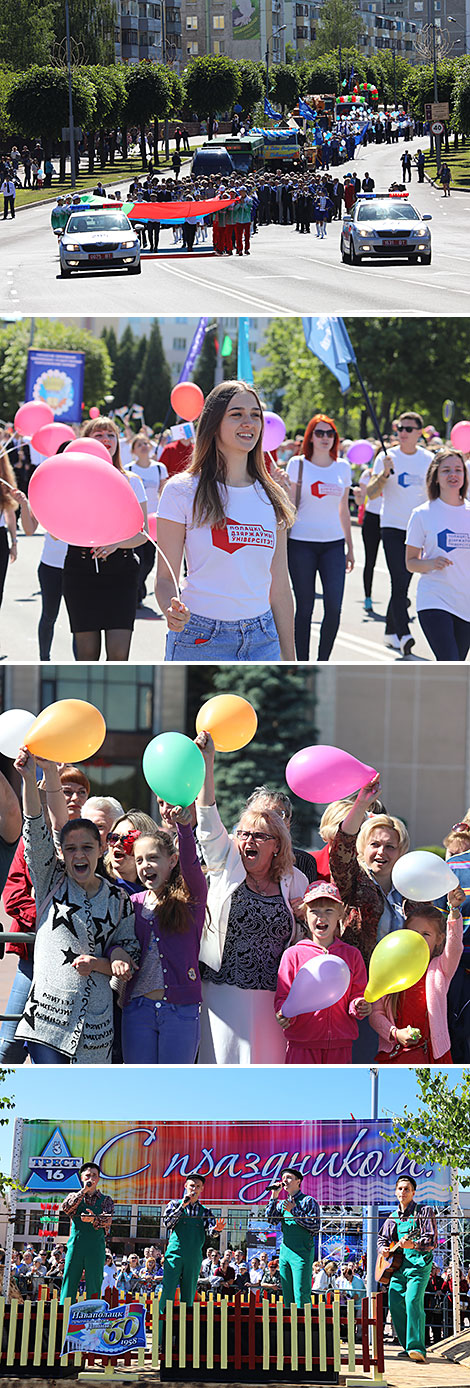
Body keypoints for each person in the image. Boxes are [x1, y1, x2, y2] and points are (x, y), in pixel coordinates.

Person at [12, 746, 140, 1064]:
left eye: (86, 847)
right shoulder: (49, 880)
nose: (79, 855)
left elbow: (126, 945)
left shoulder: (118, 899)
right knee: (49, 1099)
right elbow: (35, 828)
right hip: (47, 1022)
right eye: (70, 849)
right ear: (63, 853)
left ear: (101, 849)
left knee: (85, 1106)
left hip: (96, 1027)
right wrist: (31, 778)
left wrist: (119, 960)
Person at [156, 381, 295, 662]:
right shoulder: (181, 490)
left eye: (255, 414)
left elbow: (279, 585)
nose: (249, 422)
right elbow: (163, 579)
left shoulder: (272, 495)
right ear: (214, 423)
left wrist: (290, 657)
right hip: (199, 637)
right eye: (237, 414)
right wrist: (171, 611)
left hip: (263, 638)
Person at [195, 731, 307, 1064]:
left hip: (273, 1001)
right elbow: (207, 821)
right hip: (220, 996)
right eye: (243, 834)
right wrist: (208, 762)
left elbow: (316, 933)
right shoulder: (225, 863)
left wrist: (305, 918)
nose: (248, 842)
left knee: (265, 1076)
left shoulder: (295, 880)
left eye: (259, 836)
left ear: (277, 846)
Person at [121, 808, 207, 1064]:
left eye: (153, 858)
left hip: (180, 1009)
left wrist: (184, 828)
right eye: (139, 860)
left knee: (175, 1088)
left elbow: (191, 866)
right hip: (138, 1010)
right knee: (142, 1088)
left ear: (171, 861)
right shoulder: (131, 903)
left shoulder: (190, 899)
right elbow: (118, 941)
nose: (145, 865)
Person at [62, 416, 148, 662]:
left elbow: (142, 535)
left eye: (110, 435)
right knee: (86, 655)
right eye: (98, 435)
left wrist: (116, 543)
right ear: (86, 442)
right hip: (80, 571)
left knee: (119, 655)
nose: (106, 440)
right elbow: (58, 532)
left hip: (121, 572)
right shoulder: (71, 483)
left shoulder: (132, 481)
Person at [274, 881, 371, 1064]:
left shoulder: (352, 955)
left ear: (340, 915)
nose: (321, 917)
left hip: (341, 1045)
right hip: (301, 1044)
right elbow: (283, 997)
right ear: (304, 914)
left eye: (328, 911)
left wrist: (359, 1005)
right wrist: (284, 1014)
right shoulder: (293, 954)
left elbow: (358, 994)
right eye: (314, 911)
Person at [286, 414, 354, 661]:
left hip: (334, 545)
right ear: (311, 437)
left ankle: (323, 659)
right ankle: (302, 660)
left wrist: (350, 547)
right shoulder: (297, 465)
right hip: (301, 544)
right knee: (304, 608)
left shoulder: (342, 467)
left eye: (330, 433)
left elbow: (343, 509)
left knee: (334, 608)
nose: (325, 438)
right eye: (320, 433)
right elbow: (290, 506)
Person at [371, 889, 464, 1063]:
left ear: (439, 939)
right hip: (397, 1053)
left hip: (431, 1053)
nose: (418, 939)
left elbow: (455, 947)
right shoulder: (391, 970)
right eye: (413, 933)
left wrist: (454, 911)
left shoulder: (440, 968)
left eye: (426, 934)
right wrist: (395, 1033)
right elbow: (376, 1014)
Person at [368, 412, 432, 656]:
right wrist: (384, 474)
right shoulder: (386, 457)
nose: (402, 433)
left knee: (404, 582)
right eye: (400, 429)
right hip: (392, 527)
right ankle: (404, 633)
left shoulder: (428, 459)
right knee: (398, 578)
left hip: (418, 530)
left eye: (408, 428)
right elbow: (371, 494)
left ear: (419, 432)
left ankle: (389, 631)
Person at [406, 448, 470, 662]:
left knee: (457, 666)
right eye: (446, 470)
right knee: (450, 661)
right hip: (435, 600)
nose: (453, 474)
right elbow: (410, 563)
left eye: (458, 470)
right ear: (435, 477)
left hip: (466, 605)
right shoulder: (422, 514)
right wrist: (431, 563)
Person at [376, 1176, 437, 1363]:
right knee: (394, 1303)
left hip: (419, 1265)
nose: (403, 1192)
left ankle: (418, 1347)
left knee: (412, 1302)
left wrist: (414, 1244)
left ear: (413, 1193)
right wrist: (383, 1249)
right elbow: (381, 1239)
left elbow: (432, 1240)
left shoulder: (424, 1211)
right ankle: (407, 1346)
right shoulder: (392, 1217)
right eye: (400, 1189)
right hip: (398, 1267)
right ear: (395, 1192)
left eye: (407, 1189)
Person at [159, 1176, 225, 1341]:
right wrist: (183, 1205)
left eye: (197, 1186)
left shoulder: (206, 1212)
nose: (194, 1189)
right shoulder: (174, 1204)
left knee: (188, 1296)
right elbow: (167, 1223)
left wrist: (217, 1230)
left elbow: (212, 1232)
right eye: (191, 1185)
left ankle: (183, 1338)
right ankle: (161, 1337)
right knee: (167, 1293)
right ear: (185, 1186)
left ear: (202, 1189)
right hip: (174, 1255)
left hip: (194, 1256)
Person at [59, 1162, 114, 1304]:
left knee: (94, 1282)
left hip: (96, 1247)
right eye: (88, 1175)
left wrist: (93, 1219)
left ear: (99, 1179)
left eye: (94, 1176)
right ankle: (63, 1316)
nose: (91, 1178)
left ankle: (93, 1316)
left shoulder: (106, 1200)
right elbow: (66, 1208)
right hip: (76, 1246)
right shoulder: (74, 1196)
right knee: (69, 1280)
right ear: (82, 1177)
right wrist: (83, 1191)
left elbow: (107, 1220)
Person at [265, 1168, 320, 1307]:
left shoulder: (308, 1201)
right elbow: (270, 1219)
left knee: (301, 1292)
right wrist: (274, 1195)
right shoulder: (282, 1203)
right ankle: (289, 1326)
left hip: (302, 1252)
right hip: (285, 1252)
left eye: (289, 1177)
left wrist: (293, 1211)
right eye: (283, 1178)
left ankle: (304, 1326)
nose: (285, 1180)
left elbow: (315, 1226)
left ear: (298, 1181)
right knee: (287, 1293)